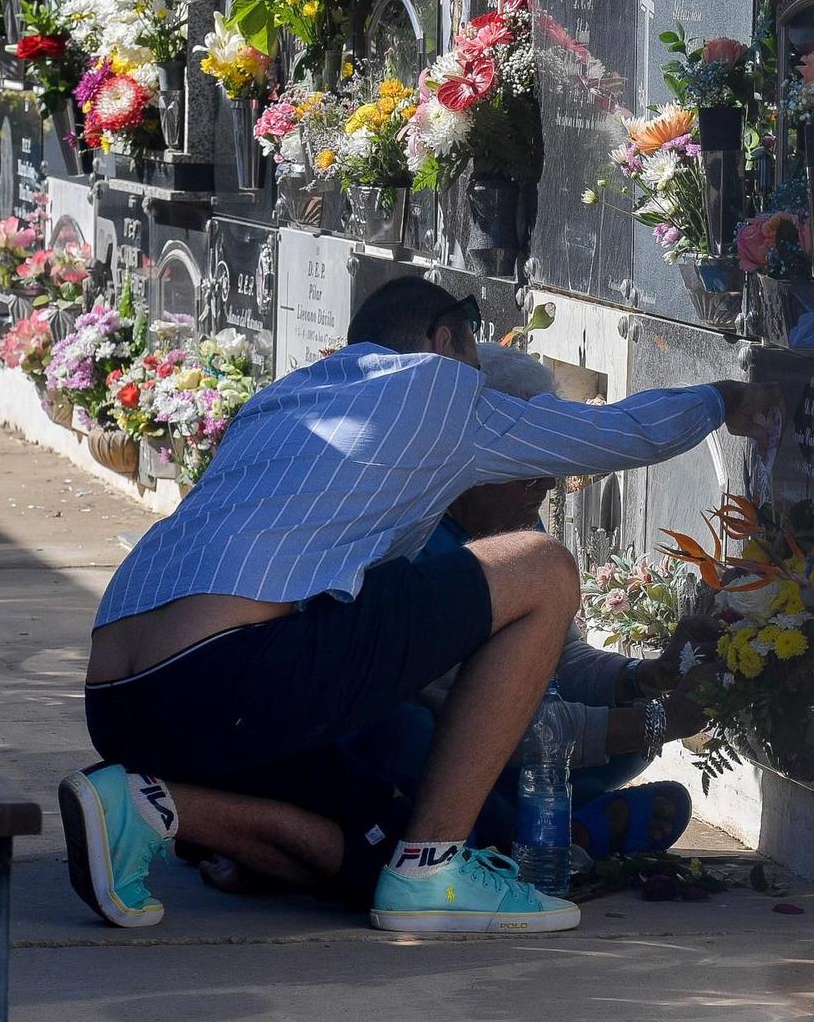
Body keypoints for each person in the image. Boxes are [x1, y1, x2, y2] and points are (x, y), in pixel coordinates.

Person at [60, 276, 777, 935]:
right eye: (472, 340)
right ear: (444, 341)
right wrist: (725, 397)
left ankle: (147, 807)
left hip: (119, 699)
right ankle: (433, 869)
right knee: (544, 570)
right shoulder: (442, 389)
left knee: (373, 854)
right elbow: (614, 434)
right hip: (226, 671)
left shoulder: (285, 397)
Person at [341, 344, 712, 859]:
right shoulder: (414, 545)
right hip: (424, 738)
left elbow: (560, 659)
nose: (546, 480)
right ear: (468, 456)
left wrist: (645, 678)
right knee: (409, 737)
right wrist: (663, 722)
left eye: (547, 458)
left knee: (620, 725)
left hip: (504, 743)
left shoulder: (514, 517)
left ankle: (536, 828)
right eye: (523, 461)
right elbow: (480, 721)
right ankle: (539, 842)